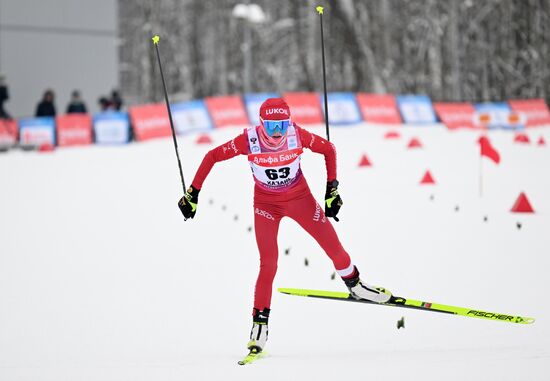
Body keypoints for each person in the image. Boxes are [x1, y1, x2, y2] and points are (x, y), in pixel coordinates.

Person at [178, 98, 391, 354]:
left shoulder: (297, 135)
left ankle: (355, 285)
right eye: (271, 126)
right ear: (261, 124)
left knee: (333, 246)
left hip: (300, 199)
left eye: (282, 124)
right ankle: (259, 325)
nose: (277, 132)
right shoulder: (249, 140)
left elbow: (329, 149)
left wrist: (331, 189)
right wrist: (193, 193)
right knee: (269, 263)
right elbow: (212, 156)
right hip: (266, 205)